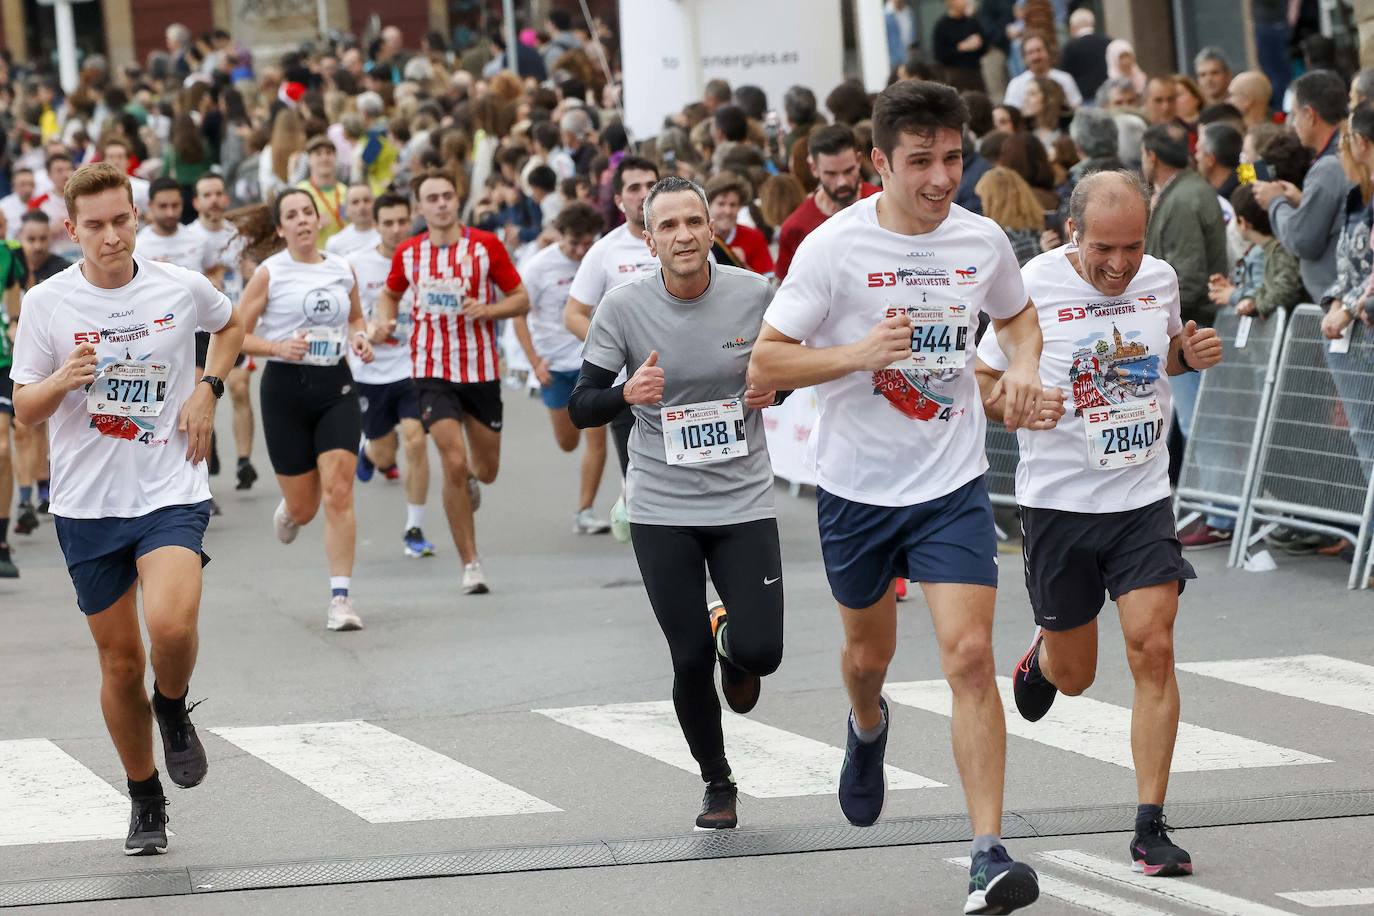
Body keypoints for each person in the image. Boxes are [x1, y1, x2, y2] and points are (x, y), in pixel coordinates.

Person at [749, 79, 1044, 915]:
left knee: (968, 658)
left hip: (951, 486)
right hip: (857, 493)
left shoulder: (982, 240)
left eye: (952, 158)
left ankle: (988, 853)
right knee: (867, 659)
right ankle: (867, 726)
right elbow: (766, 367)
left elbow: (1017, 319)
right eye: (921, 162)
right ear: (878, 162)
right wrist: (855, 353)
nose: (941, 178)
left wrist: (1020, 366)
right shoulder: (834, 250)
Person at [977, 169, 1221, 879]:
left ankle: (1150, 825)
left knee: (1153, 647)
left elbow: (1162, 354)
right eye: (1103, 249)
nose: (1119, 266)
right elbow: (985, 382)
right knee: (1077, 675)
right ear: (1072, 233)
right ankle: (1042, 659)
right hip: (1059, 505)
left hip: (1141, 499)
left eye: (1133, 248)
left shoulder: (1161, 279)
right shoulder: (1032, 287)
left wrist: (1189, 355)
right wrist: (1017, 403)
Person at [11, 161, 246, 855]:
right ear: (70, 229)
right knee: (119, 664)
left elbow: (230, 327)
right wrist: (62, 379)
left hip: (169, 487)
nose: (111, 237)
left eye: (122, 221)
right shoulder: (49, 302)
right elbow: (24, 408)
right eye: (95, 226)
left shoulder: (178, 286)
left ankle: (171, 705)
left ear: (135, 218)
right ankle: (145, 795)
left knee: (170, 627)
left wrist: (208, 388)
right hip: (87, 505)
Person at [569, 175, 784, 831]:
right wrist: (626, 393)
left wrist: (774, 390)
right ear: (648, 238)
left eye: (694, 222)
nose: (684, 235)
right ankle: (717, 783)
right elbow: (581, 404)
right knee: (686, 656)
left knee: (763, 654)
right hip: (662, 501)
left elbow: (792, 375)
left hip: (742, 496)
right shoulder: (623, 306)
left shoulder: (754, 296)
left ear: (712, 229)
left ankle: (733, 639)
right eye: (669, 226)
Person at [373, 169, 530, 595]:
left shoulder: (486, 246)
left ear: (456, 200)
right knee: (453, 463)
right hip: (431, 369)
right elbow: (390, 292)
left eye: (447, 195)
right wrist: (384, 320)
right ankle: (471, 563)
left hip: (479, 370)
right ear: (419, 208)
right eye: (432, 198)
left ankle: (472, 480)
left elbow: (521, 298)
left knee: (486, 469)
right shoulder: (409, 252)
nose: (441, 204)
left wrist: (488, 310)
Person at [236, 188, 375, 630]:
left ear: (319, 220)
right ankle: (291, 511)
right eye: (291, 215)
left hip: (336, 385)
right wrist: (277, 346)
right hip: (284, 391)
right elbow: (235, 334)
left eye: (307, 213)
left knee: (339, 490)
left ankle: (341, 599)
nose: (301, 221)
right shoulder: (269, 273)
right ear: (280, 228)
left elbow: (356, 318)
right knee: (307, 507)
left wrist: (360, 336)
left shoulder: (341, 268)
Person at [564, 155, 662, 539]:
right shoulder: (604, 252)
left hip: (689, 383)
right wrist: (615, 351)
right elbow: (573, 314)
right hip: (630, 387)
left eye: (650, 185)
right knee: (641, 479)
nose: (643, 195)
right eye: (633, 188)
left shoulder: (686, 241)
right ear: (619, 199)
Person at [514, 202, 611, 536]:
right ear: (561, 236)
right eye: (574, 243)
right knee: (568, 441)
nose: (581, 250)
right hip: (553, 364)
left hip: (593, 361)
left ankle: (584, 510)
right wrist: (534, 362)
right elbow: (518, 313)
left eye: (587, 242)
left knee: (597, 438)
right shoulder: (539, 266)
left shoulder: (599, 259)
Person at [350, 192, 434, 557]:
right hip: (371, 371)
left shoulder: (424, 258)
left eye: (402, 221)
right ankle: (370, 453)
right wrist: (368, 331)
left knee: (416, 440)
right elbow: (346, 317)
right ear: (377, 225)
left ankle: (414, 526)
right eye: (388, 223)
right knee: (386, 455)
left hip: (415, 367)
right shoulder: (355, 263)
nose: (397, 229)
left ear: (411, 218)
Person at [1141, 124, 1228, 454]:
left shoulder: (1184, 197)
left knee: (1201, 430)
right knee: (1198, 430)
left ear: (1151, 156)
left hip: (1191, 328)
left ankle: (1218, 508)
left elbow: (1187, 277)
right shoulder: (1184, 190)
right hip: (1190, 328)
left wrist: (1156, 316)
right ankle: (1212, 506)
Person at [1254, 70, 1351, 323]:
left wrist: (1275, 202)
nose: (1292, 123)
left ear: (1310, 115)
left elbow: (1302, 239)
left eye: (1295, 115)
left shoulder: (1329, 167)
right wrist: (1301, 201)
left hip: (1342, 309)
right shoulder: (1341, 155)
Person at [183, 173, 258, 492]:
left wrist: (250, 272)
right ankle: (205, 468)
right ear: (197, 202)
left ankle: (244, 461)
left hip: (232, 323)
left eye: (218, 193)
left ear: (225, 199)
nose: (213, 200)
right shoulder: (188, 237)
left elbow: (252, 271)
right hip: (199, 329)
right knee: (205, 396)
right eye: (206, 194)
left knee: (240, 388)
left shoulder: (238, 234)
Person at [775, 125, 880, 280]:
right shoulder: (795, 228)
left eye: (848, 170)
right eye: (831, 173)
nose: (841, 182)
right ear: (814, 168)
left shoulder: (884, 204)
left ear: (858, 161)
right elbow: (785, 289)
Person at [0, 216, 23, 577]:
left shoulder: (8, 256)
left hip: (2, 361)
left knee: (2, 449)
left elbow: (17, 311)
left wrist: (18, 329)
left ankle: (1, 543)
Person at [705, 173, 774, 277]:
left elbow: (768, 283)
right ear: (708, 205)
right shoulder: (699, 238)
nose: (728, 211)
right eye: (721, 204)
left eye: (733, 205)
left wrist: (743, 266)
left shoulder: (754, 237)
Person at [975, 166, 1044, 266]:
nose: (982, 204)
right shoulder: (1042, 225)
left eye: (983, 199)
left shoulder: (998, 239)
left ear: (993, 201)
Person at [1004, 31, 1083, 112]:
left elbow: (1077, 109)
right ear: (1024, 58)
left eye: (1039, 50)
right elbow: (1011, 115)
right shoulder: (1016, 85)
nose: (1036, 56)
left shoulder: (1065, 79)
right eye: (1030, 52)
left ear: (1048, 52)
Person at [298, 135, 348, 250]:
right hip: (316, 259)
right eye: (318, 154)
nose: (324, 158)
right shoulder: (300, 193)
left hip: (344, 258)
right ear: (309, 159)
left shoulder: (345, 191)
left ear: (335, 157)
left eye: (329, 153)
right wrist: (313, 224)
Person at [933, 0, 987, 93]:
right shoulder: (942, 25)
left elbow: (985, 46)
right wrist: (961, 47)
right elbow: (939, 55)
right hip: (954, 74)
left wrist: (979, 43)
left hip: (975, 72)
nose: (965, 2)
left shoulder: (972, 22)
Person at [1059, 9, 1110, 104]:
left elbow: (1065, 76)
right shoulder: (1108, 42)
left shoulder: (1070, 48)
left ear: (1073, 27)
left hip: (1084, 100)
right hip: (1108, 98)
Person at [325, 183, 381, 256]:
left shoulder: (389, 235)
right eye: (355, 202)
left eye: (366, 200)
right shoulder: (335, 243)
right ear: (346, 209)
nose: (362, 207)